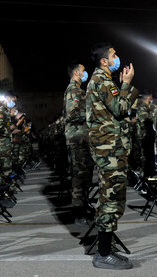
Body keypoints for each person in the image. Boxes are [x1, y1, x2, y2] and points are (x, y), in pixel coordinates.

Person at [86, 43, 139, 270]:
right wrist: (126, 84)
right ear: (104, 61)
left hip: (112, 149)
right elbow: (120, 108)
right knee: (110, 200)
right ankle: (103, 253)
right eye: (114, 55)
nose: (118, 58)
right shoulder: (102, 81)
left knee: (114, 199)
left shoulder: (104, 81)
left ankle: (106, 248)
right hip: (109, 150)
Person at [63, 62, 94, 225]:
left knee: (84, 174)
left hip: (81, 138)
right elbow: (72, 114)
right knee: (79, 175)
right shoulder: (73, 90)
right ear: (76, 73)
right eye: (83, 70)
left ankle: (82, 206)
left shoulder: (78, 90)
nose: (85, 73)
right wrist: (92, 112)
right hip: (77, 139)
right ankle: (78, 212)